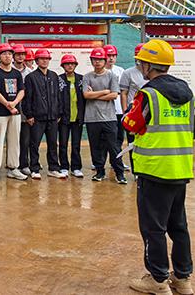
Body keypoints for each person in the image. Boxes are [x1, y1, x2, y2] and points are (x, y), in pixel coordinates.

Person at [123, 39, 194, 295]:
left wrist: (128, 116)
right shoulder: (187, 93)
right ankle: (183, 279)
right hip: (180, 168)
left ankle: (158, 280)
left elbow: (131, 123)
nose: (141, 66)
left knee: (153, 228)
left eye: (142, 62)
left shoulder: (149, 94)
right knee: (178, 226)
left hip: (154, 169)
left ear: (149, 65)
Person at [83, 47, 126, 184]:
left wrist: (94, 95)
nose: (97, 62)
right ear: (91, 61)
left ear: (104, 60)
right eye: (95, 59)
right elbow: (86, 95)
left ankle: (119, 173)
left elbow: (114, 95)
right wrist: (104, 91)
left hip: (109, 117)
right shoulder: (87, 77)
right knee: (96, 147)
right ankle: (99, 172)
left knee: (114, 146)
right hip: (92, 118)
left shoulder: (111, 76)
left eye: (100, 59)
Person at [24, 48, 64, 180]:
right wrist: (29, 115)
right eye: (42, 59)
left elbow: (58, 96)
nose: (45, 61)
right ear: (36, 61)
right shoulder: (31, 77)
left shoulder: (54, 76)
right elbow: (27, 98)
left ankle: (53, 168)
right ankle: (34, 169)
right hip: (37, 118)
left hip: (52, 117)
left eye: (47, 59)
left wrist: (58, 113)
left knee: (53, 144)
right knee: (34, 144)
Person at [0, 43, 27, 181]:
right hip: (0, 112)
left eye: (10, 54)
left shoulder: (16, 73)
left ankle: (13, 168)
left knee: (14, 141)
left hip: (15, 112)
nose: (7, 56)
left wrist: (14, 103)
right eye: (4, 54)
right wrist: (7, 104)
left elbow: (22, 91)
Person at [58, 54, 86, 178]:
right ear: (63, 66)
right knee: (63, 144)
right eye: (67, 64)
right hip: (63, 118)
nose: (70, 66)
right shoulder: (59, 79)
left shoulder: (81, 79)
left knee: (76, 144)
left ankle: (76, 167)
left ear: (75, 65)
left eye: (72, 64)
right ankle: (64, 167)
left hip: (77, 117)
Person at [120, 43, 147, 169]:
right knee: (132, 143)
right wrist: (126, 112)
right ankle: (136, 170)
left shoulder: (152, 74)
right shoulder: (128, 73)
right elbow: (124, 93)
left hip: (148, 113)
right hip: (133, 113)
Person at [12, 44, 33, 176]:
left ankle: (24, 164)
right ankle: (12, 165)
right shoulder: (9, 70)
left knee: (25, 140)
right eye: (18, 54)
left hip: (26, 112)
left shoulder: (29, 73)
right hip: (10, 109)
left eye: (22, 54)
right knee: (13, 140)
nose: (20, 56)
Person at [105, 44, 127, 165]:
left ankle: (117, 162)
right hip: (105, 111)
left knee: (119, 138)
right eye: (109, 55)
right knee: (105, 138)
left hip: (119, 110)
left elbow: (124, 91)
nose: (111, 58)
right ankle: (100, 162)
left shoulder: (121, 71)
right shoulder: (100, 71)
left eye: (113, 55)